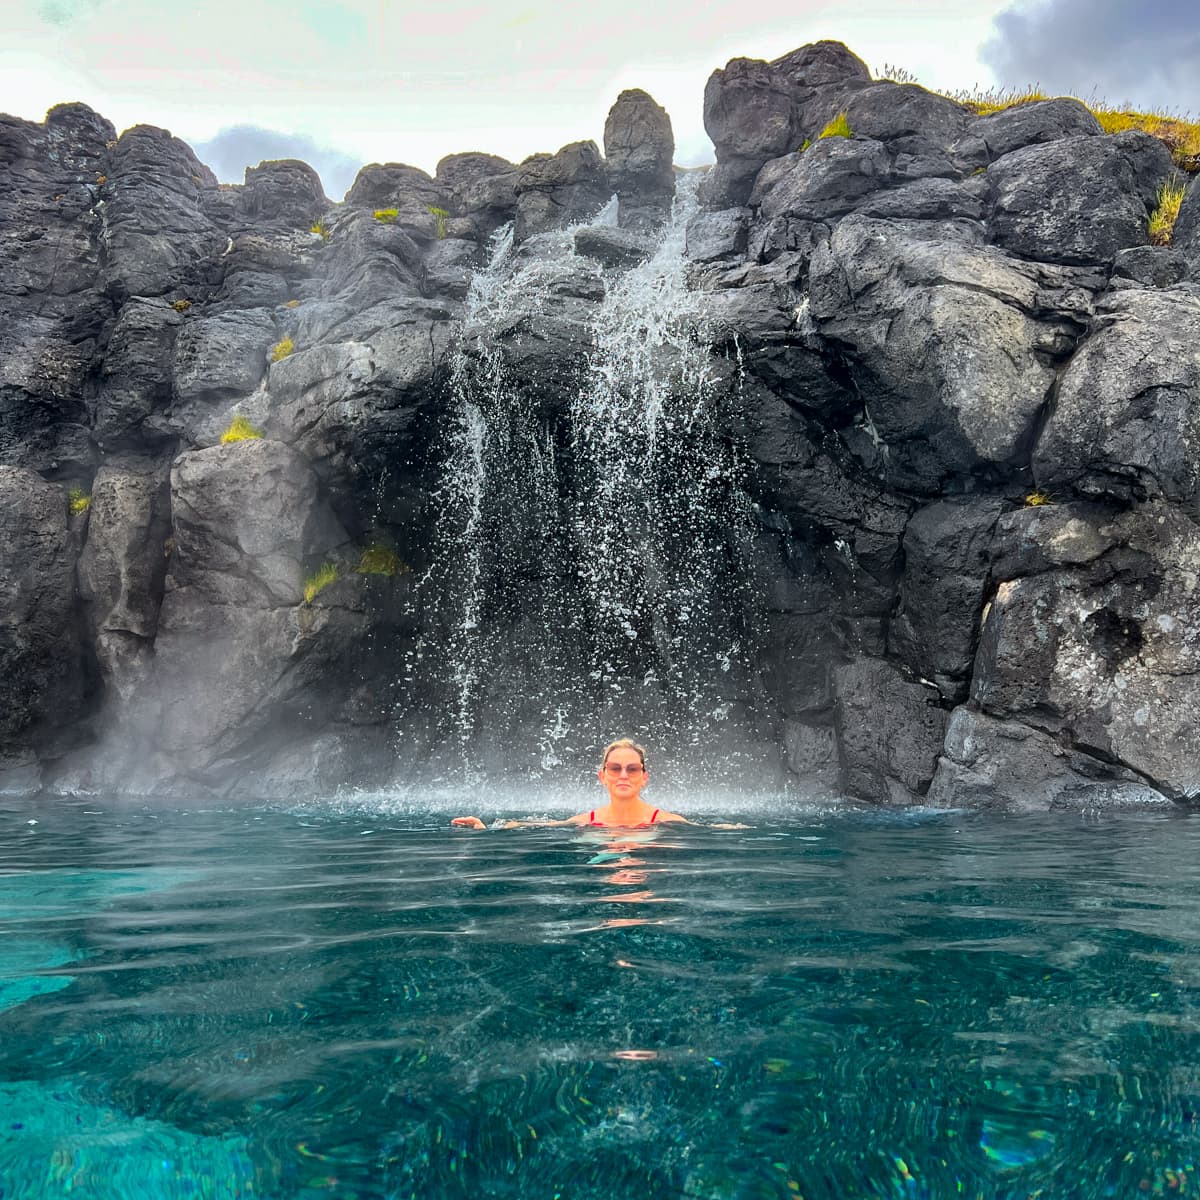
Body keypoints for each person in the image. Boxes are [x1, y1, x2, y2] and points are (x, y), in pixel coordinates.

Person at [451, 738, 745, 830]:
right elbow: (535, 826)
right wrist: (484, 827)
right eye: (615, 768)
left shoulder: (665, 820)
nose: (623, 775)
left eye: (632, 769)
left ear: (644, 778)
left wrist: (734, 828)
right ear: (602, 776)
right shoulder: (586, 820)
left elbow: (705, 830)